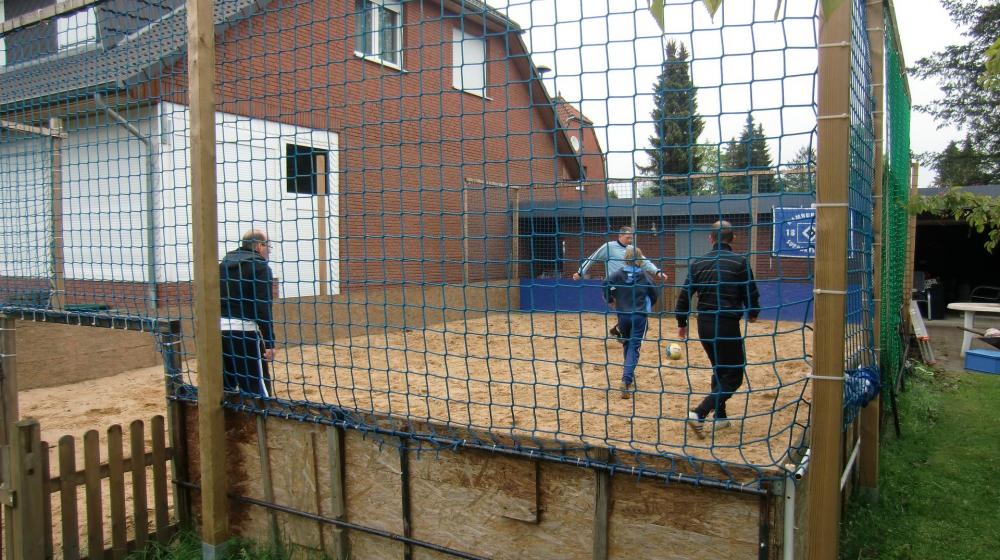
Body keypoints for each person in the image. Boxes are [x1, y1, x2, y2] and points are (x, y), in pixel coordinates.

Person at [675, 220, 759, 437]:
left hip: (705, 325)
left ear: (710, 238)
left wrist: (681, 324)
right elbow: (750, 291)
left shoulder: (698, 263)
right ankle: (700, 413)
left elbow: (684, 294)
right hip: (726, 323)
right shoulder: (740, 261)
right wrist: (753, 312)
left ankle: (720, 416)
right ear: (733, 238)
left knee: (719, 368)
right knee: (735, 375)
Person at [573, 226, 667, 338]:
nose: (630, 240)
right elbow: (593, 258)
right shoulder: (609, 247)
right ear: (620, 236)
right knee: (625, 308)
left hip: (629, 286)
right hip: (614, 286)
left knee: (629, 309)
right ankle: (623, 331)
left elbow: (645, 262)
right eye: (628, 238)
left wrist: (657, 271)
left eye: (631, 238)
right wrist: (580, 272)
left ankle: (619, 330)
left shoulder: (632, 249)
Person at [220, 229, 276, 397]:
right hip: (245, 333)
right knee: (256, 388)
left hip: (219, 332)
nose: (269, 251)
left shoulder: (222, 266)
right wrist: (269, 342)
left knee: (226, 387)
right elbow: (262, 307)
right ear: (260, 246)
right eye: (269, 247)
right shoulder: (260, 267)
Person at [604, 247, 659, 399]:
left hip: (623, 316)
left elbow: (605, 284)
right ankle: (626, 379)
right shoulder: (644, 275)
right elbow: (654, 293)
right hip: (639, 316)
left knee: (627, 344)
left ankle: (628, 376)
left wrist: (610, 299)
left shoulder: (617, 275)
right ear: (640, 259)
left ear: (625, 258)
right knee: (634, 347)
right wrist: (648, 304)